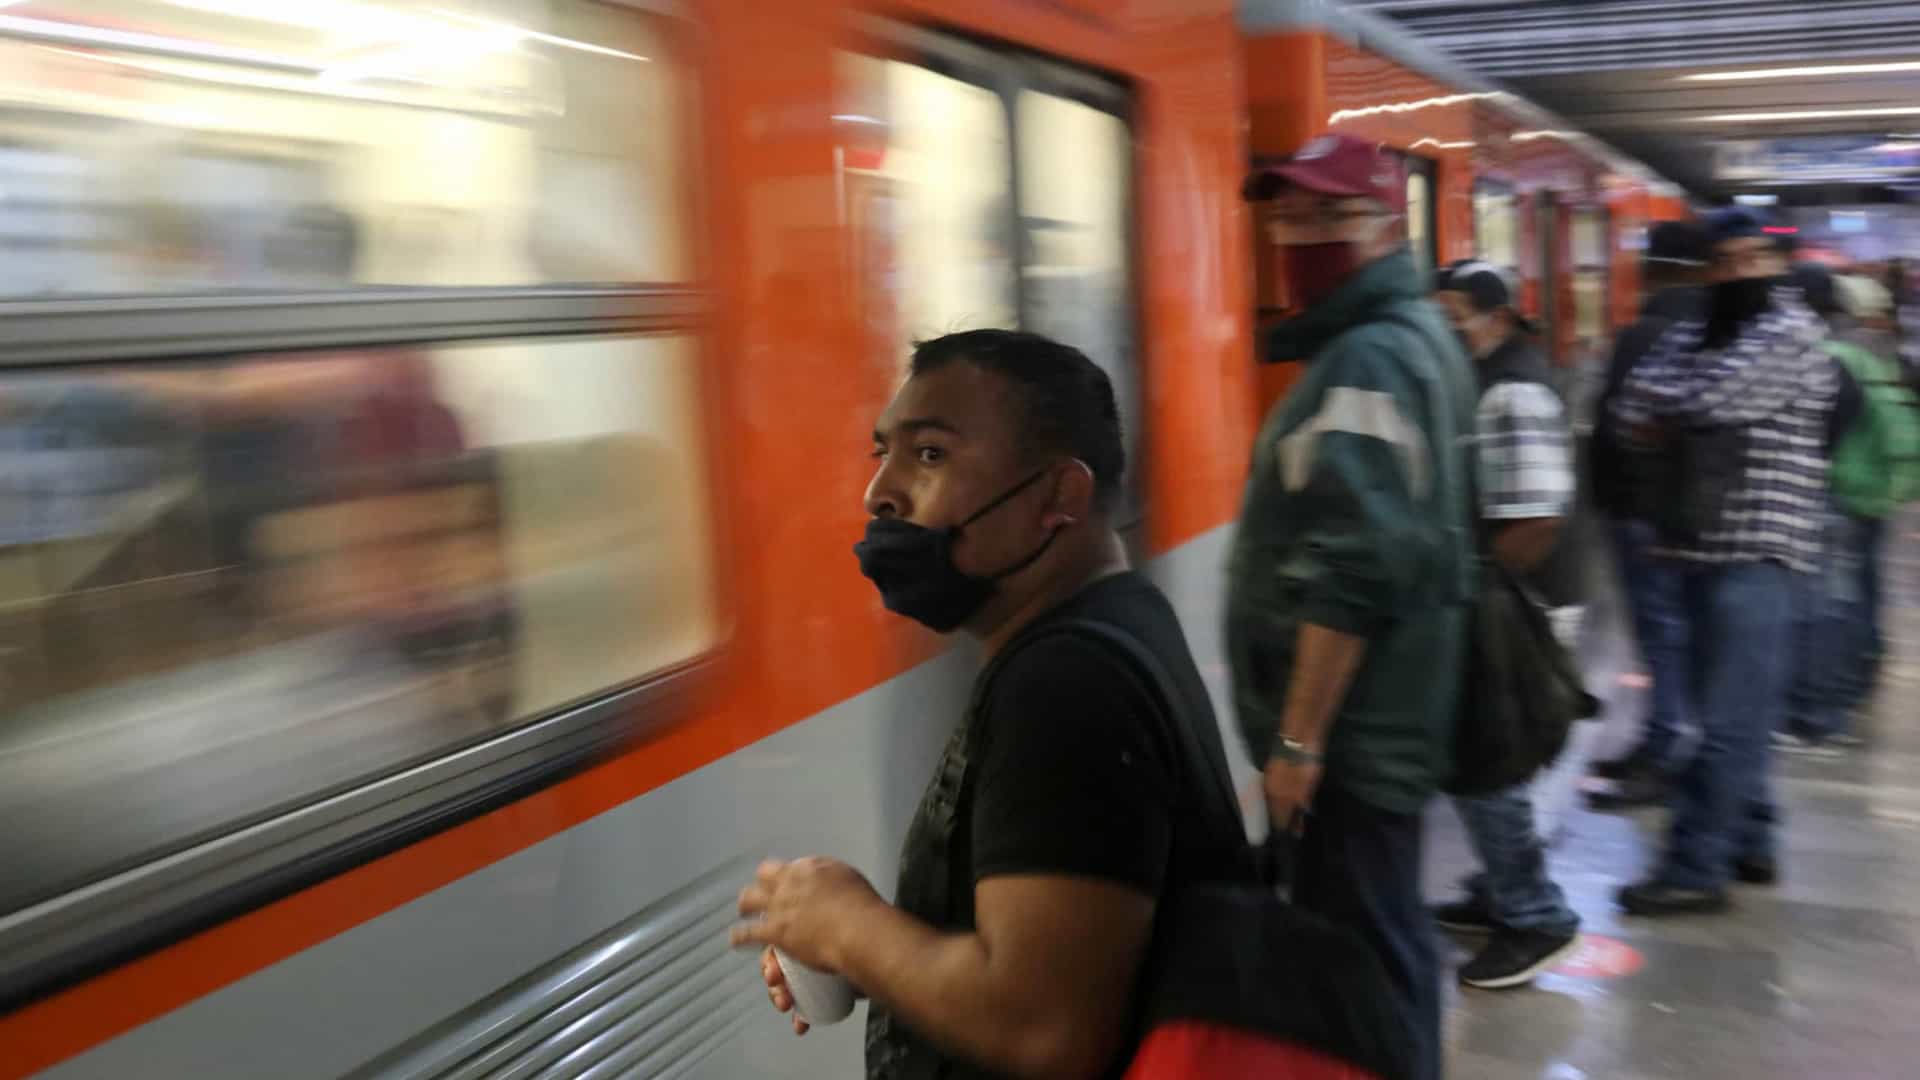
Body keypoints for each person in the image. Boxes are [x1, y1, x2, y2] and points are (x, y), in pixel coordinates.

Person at [735, 329, 1253, 1079]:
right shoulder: (1120, 617)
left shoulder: (1065, 685)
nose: (879, 493)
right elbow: (1057, 947)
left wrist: (850, 926)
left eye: (930, 454)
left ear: (1058, 496)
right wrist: (864, 950)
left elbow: (1045, 1030)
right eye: (883, 452)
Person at [1233, 134, 1477, 1080]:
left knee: (1367, 950)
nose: (1302, 237)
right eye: (1289, 217)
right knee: (1385, 933)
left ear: (1385, 227)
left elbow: (1358, 568)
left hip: (1361, 731)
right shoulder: (1414, 334)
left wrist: (1299, 742)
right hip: (1390, 711)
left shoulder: (1370, 357)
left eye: (1331, 216)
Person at [1607, 208, 1844, 914]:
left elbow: (1713, 399)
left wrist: (1674, 412)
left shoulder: (1790, 334)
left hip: (1759, 553)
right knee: (1736, 708)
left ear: (1777, 265)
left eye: (1754, 260)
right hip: (1699, 546)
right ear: (1708, 269)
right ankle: (1750, 838)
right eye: (1726, 261)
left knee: (1728, 718)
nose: (1740, 273)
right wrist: (1678, 410)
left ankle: (1695, 867)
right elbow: (1629, 407)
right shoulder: (1701, 330)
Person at [1427, 261, 1584, 989]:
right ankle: (1503, 889)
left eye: (1453, 317)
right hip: (1501, 600)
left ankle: (1536, 916)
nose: (1442, 331)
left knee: (1490, 756)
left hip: (1511, 605)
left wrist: (1482, 593)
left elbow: (1536, 519)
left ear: (1494, 317)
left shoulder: (1512, 390)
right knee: (1484, 757)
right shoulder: (1488, 377)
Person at [1584, 221, 1713, 810]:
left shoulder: (1645, 335)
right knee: (1677, 635)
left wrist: (1624, 502)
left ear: (1652, 270)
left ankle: (1666, 753)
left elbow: (1620, 428)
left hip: (1647, 517)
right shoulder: (1722, 331)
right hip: (1692, 517)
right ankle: (1661, 741)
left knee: (1660, 636)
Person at [1781, 265, 1913, 754]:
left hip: (1835, 489)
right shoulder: (1871, 350)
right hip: (1871, 487)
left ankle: (1817, 716)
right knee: (1853, 594)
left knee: (1821, 604)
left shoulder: (1828, 354)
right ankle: (1852, 684)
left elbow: (1825, 423)